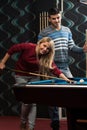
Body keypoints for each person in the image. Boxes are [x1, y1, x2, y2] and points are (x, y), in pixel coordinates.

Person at [0, 37, 72, 130]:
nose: (45, 49)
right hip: (21, 76)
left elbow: (56, 70)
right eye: (44, 45)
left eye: (48, 48)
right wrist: (2, 62)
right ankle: (23, 122)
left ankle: (31, 127)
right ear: (40, 43)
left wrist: (66, 79)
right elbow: (12, 49)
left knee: (33, 102)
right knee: (27, 102)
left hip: (34, 77)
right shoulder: (28, 47)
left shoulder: (46, 56)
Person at [38, 8, 87, 130]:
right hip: (51, 67)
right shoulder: (44, 33)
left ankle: (73, 121)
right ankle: (55, 123)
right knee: (52, 98)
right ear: (49, 19)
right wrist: (45, 65)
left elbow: (72, 47)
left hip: (65, 66)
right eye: (53, 18)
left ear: (61, 16)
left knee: (72, 93)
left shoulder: (67, 30)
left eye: (58, 17)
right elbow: (39, 51)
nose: (56, 20)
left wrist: (83, 49)